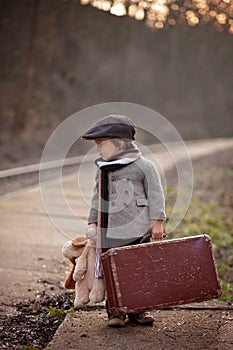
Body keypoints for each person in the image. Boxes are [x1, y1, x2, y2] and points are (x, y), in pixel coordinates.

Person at [82, 115, 166, 327]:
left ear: (119, 144)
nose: (97, 149)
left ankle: (138, 310)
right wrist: (93, 221)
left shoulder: (144, 166)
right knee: (113, 271)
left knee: (138, 270)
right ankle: (115, 311)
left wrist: (158, 221)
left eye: (101, 144)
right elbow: (96, 197)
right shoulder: (102, 168)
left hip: (138, 229)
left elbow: (156, 194)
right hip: (110, 228)